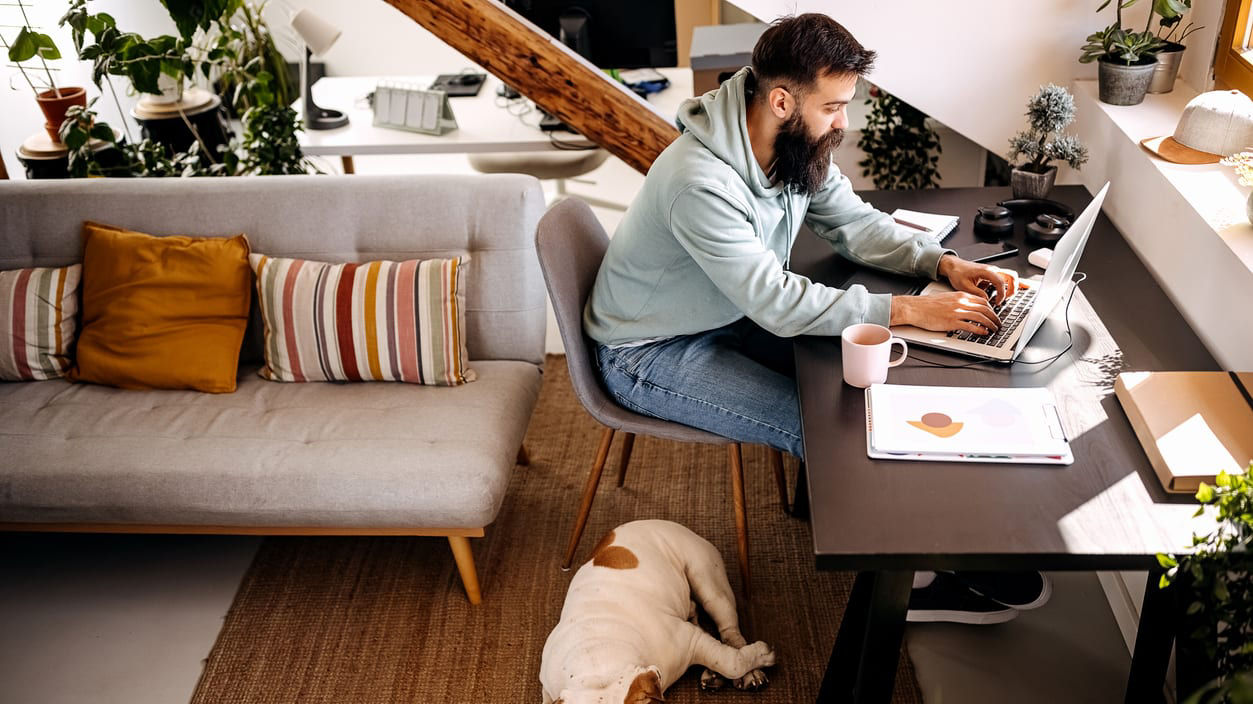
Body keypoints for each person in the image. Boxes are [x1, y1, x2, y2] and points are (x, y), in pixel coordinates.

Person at [583, 13, 1048, 624]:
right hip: (646, 352)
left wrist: (943, 263)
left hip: (720, 312)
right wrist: (908, 309)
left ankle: (938, 537)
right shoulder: (699, 183)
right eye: (833, 106)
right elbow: (776, 301)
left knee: (857, 383)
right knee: (826, 431)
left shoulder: (793, 146)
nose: (843, 122)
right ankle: (916, 583)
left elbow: (853, 223)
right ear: (781, 100)